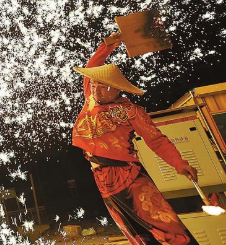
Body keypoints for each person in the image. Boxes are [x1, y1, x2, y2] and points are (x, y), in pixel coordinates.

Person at [72, 32, 199, 245]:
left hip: (128, 174)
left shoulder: (132, 111)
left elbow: (156, 140)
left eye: (102, 86)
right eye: (93, 84)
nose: (95, 89)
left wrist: (179, 163)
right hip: (101, 176)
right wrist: (107, 45)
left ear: (116, 88)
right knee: (133, 231)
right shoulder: (90, 99)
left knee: (164, 225)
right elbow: (92, 67)